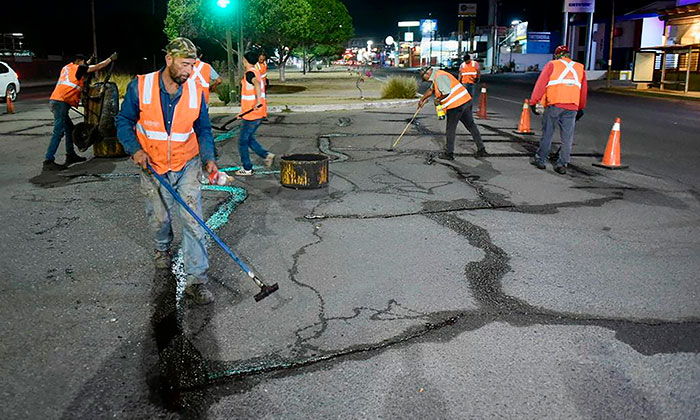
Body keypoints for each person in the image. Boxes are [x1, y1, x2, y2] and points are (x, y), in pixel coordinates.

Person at [115, 37, 218, 305]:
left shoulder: (195, 90)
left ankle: (197, 280)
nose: (190, 70)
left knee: (194, 221)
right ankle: (162, 248)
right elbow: (124, 121)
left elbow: (203, 128)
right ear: (169, 59)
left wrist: (209, 157)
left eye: (193, 65)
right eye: (185, 64)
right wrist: (135, 149)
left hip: (187, 163)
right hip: (153, 165)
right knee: (160, 219)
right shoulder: (141, 86)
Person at [44, 52, 116, 171]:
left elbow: (81, 68)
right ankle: (48, 160)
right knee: (58, 132)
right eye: (84, 62)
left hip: (56, 101)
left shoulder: (67, 68)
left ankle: (70, 155)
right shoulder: (80, 68)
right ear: (80, 61)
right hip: (61, 103)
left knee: (69, 129)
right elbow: (96, 67)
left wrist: (89, 60)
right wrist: (109, 59)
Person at [528, 45, 588, 175]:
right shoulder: (580, 67)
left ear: (557, 55)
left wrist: (533, 102)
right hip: (572, 106)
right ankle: (562, 164)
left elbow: (541, 85)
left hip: (554, 104)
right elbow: (583, 90)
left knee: (548, 133)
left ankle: (541, 160)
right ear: (568, 55)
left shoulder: (552, 65)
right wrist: (581, 107)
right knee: (567, 137)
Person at [418, 66, 486, 161]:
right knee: (471, 125)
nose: (425, 80)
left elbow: (446, 92)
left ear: (427, 74)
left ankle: (449, 153)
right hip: (465, 101)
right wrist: (422, 99)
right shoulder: (438, 75)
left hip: (456, 105)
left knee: (450, 129)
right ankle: (481, 149)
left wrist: (438, 99)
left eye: (424, 78)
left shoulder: (439, 77)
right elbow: (431, 90)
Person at [234, 51, 275, 176]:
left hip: (253, 114)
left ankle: (247, 168)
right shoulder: (257, 72)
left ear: (245, 60)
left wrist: (257, 101)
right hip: (252, 113)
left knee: (242, 141)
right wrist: (242, 113)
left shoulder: (250, 73)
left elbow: (256, 84)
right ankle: (266, 155)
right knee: (249, 138)